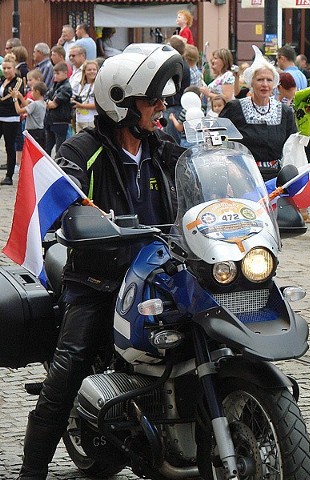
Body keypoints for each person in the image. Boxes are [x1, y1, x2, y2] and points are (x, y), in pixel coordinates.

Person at [16, 43, 185, 480]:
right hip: (99, 279)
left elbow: (195, 173)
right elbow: (63, 184)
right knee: (68, 367)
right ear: (121, 103)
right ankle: (31, 472)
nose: (161, 106)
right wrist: (81, 209)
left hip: (157, 276)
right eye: (152, 100)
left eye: (162, 98)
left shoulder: (162, 145)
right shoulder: (82, 148)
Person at [219, 46, 296, 179]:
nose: (264, 84)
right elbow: (219, 138)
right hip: (243, 177)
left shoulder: (285, 112)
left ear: (275, 84)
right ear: (251, 82)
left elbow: (292, 147)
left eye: (269, 80)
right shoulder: (234, 108)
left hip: (275, 179)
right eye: (260, 79)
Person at [0, 57, 25, 185]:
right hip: (0, 116)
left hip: (11, 118)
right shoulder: (2, 80)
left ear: (14, 69)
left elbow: (11, 98)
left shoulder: (18, 81)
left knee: (9, 146)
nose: (6, 70)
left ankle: (9, 176)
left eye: (9, 68)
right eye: (4, 68)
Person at [44, 62, 73, 155]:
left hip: (60, 121)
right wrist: (48, 102)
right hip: (51, 120)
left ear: (65, 73)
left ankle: (58, 167)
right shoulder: (55, 85)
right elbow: (46, 98)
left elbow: (53, 104)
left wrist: (48, 102)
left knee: (59, 148)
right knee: (47, 147)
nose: (55, 76)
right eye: (54, 73)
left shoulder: (66, 87)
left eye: (57, 73)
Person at [11, 80, 47, 148]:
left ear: (37, 92)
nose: (31, 93)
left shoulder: (34, 104)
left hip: (32, 132)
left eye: (32, 91)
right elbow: (27, 107)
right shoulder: (43, 103)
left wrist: (15, 99)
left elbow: (19, 111)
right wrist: (21, 97)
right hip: (40, 132)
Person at [72, 60, 99, 131]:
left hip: (91, 120)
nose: (92, 72)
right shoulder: (81, 85)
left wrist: (81, 106)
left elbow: (97, 105)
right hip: (79, 120)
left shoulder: (98, 85)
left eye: (94, 69)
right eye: (89, 70)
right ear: (84, 71)